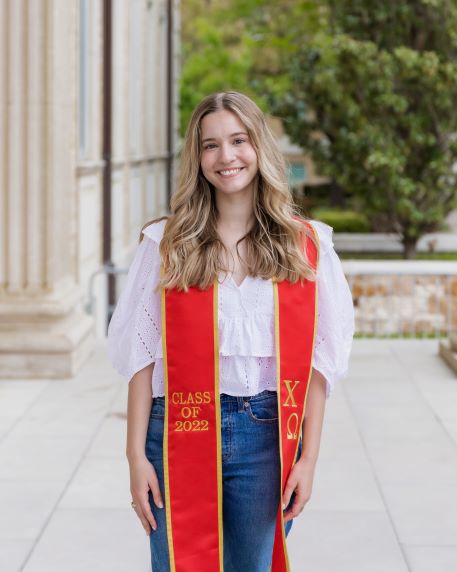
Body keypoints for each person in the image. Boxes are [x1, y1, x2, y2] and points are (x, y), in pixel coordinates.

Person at [107, 91, 354, 572]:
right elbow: (142, 357)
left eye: (238, 140)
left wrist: (309, 459)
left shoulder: (306, 246)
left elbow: (319, 365)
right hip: (176, 427)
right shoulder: (167, 244)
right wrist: (136, 457)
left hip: (268, 435)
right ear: (197, 159)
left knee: (252, 566)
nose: (227, 157)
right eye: (210, 145)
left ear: (259, 146)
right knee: (180, 564)